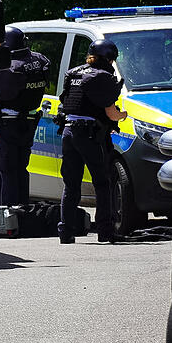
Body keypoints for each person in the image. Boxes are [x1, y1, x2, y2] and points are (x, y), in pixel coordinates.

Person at [56, 39, 127, 244]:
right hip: (88, 135)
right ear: (108, 58)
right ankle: (105, 232)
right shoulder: (102, 76)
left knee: (71, 184)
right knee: (102, 183)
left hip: (68, 132)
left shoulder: (74, 73)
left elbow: (66, 101)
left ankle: (66, 232)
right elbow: (111, 113)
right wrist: (123, 115)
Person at [0, 26, 49, 206]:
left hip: (9, 124)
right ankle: (22, 212)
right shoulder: (38, 61)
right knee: (21, 170)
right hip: (29, 124)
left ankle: (8, 218)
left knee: (7, 171)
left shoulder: (6, 68)